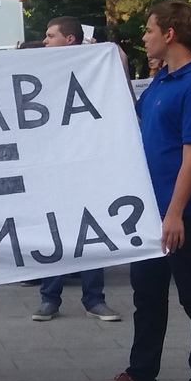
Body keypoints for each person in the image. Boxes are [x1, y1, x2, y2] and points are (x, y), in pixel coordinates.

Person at [88, 1, 191, 381]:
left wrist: (175, 213)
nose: (144, 36)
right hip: (148, 213)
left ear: (169, 34)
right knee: (147, 297)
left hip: (183, 215)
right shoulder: (162, 80)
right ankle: (141, 377)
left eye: (149, 30)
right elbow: (134, 120)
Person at [29, 17, 121, 323]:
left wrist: (103, 53)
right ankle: (49, 297)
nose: (44, 41)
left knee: (91, 230)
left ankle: (94, 299)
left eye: (50, 35)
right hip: (52, 163)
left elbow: (117, 75)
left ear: (69, 40)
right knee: (54, 230)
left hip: (86, 162)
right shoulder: (40, 70)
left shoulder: (93, 67)